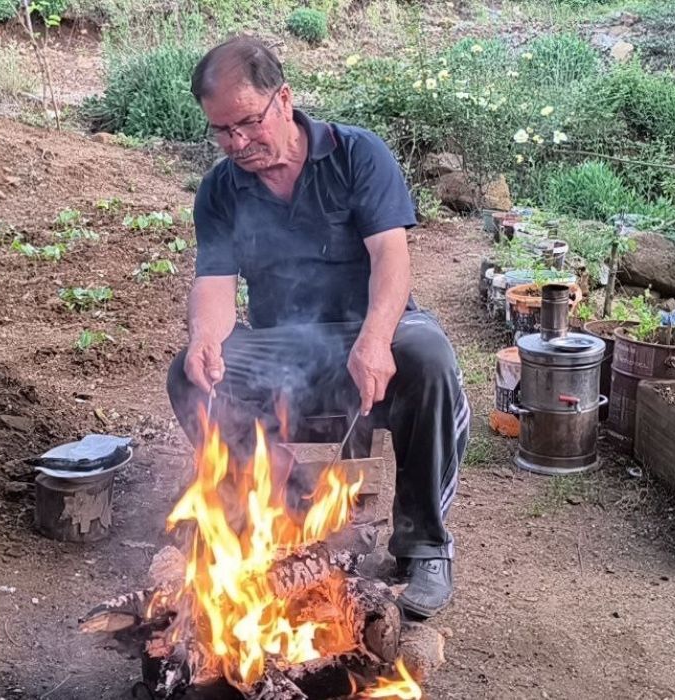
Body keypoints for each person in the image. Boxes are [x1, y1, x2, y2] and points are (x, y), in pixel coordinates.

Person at [165, 36, 469, 619]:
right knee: (190, 372)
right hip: (287, 351)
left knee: (427, 352)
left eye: (248, 124)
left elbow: (391, 257)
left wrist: (376, 338)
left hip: (370, 334)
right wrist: (205, 336)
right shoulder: (221, 190)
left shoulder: (357, 154)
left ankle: (424, 545)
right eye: (221, 132)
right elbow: (215, 286)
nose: (237, 143)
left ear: (284, 99)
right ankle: (267, 509)